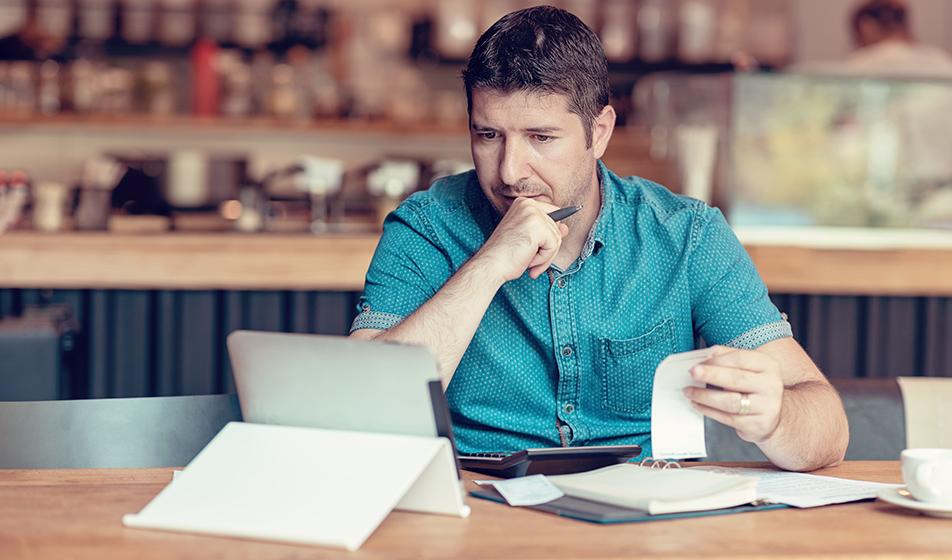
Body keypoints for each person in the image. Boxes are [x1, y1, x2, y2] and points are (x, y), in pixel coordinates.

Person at [350, 6, 849, 472]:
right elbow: (361, 410)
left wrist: (776, 419)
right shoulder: (426, 226)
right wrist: (488, 265)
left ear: (600, 131)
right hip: (481, 508)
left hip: (646, 517)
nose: (509, 171)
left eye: (541, 138)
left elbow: (828, 428)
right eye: (488, 136)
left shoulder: (686, 235)